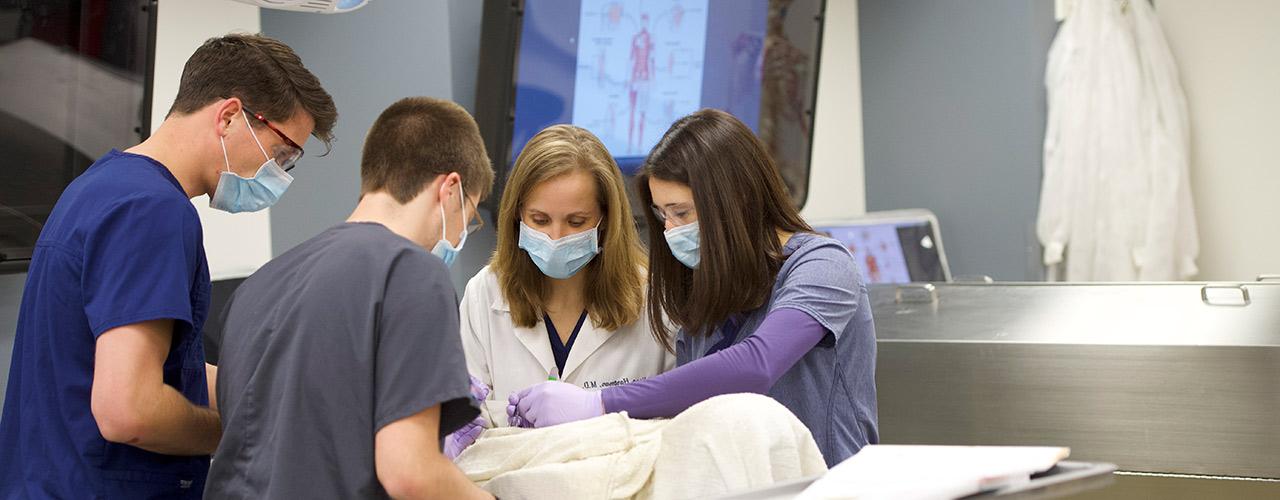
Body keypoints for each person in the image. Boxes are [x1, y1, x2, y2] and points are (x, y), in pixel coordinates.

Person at [0, 34, 336, 498]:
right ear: (229, 115)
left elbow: (155, 367)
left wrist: (284, 387)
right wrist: (245, 435)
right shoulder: (152, 211)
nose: (277, 175)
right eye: (281, 156)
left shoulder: (103, 186)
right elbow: (130, 410)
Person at [508, 108, 879, 467]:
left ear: (736, 199)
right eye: (661, 214)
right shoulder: (706, 295)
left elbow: (757, 365)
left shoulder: (822, 266)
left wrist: (598, 403)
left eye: (682, 213)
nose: (670, 230)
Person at [204, 97, 493, 500]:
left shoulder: (258, 286)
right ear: (451, 188)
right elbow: (410, 471)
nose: (462, 232)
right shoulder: (410, 272)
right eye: (471, 215)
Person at [448, 125, 673, 456]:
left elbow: (674, 424)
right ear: (517, 217)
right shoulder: (485, 293)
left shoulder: (654, 299)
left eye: (577, 222)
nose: (555, 236)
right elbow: (470, 429)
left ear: (606, 220)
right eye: (539, 220)